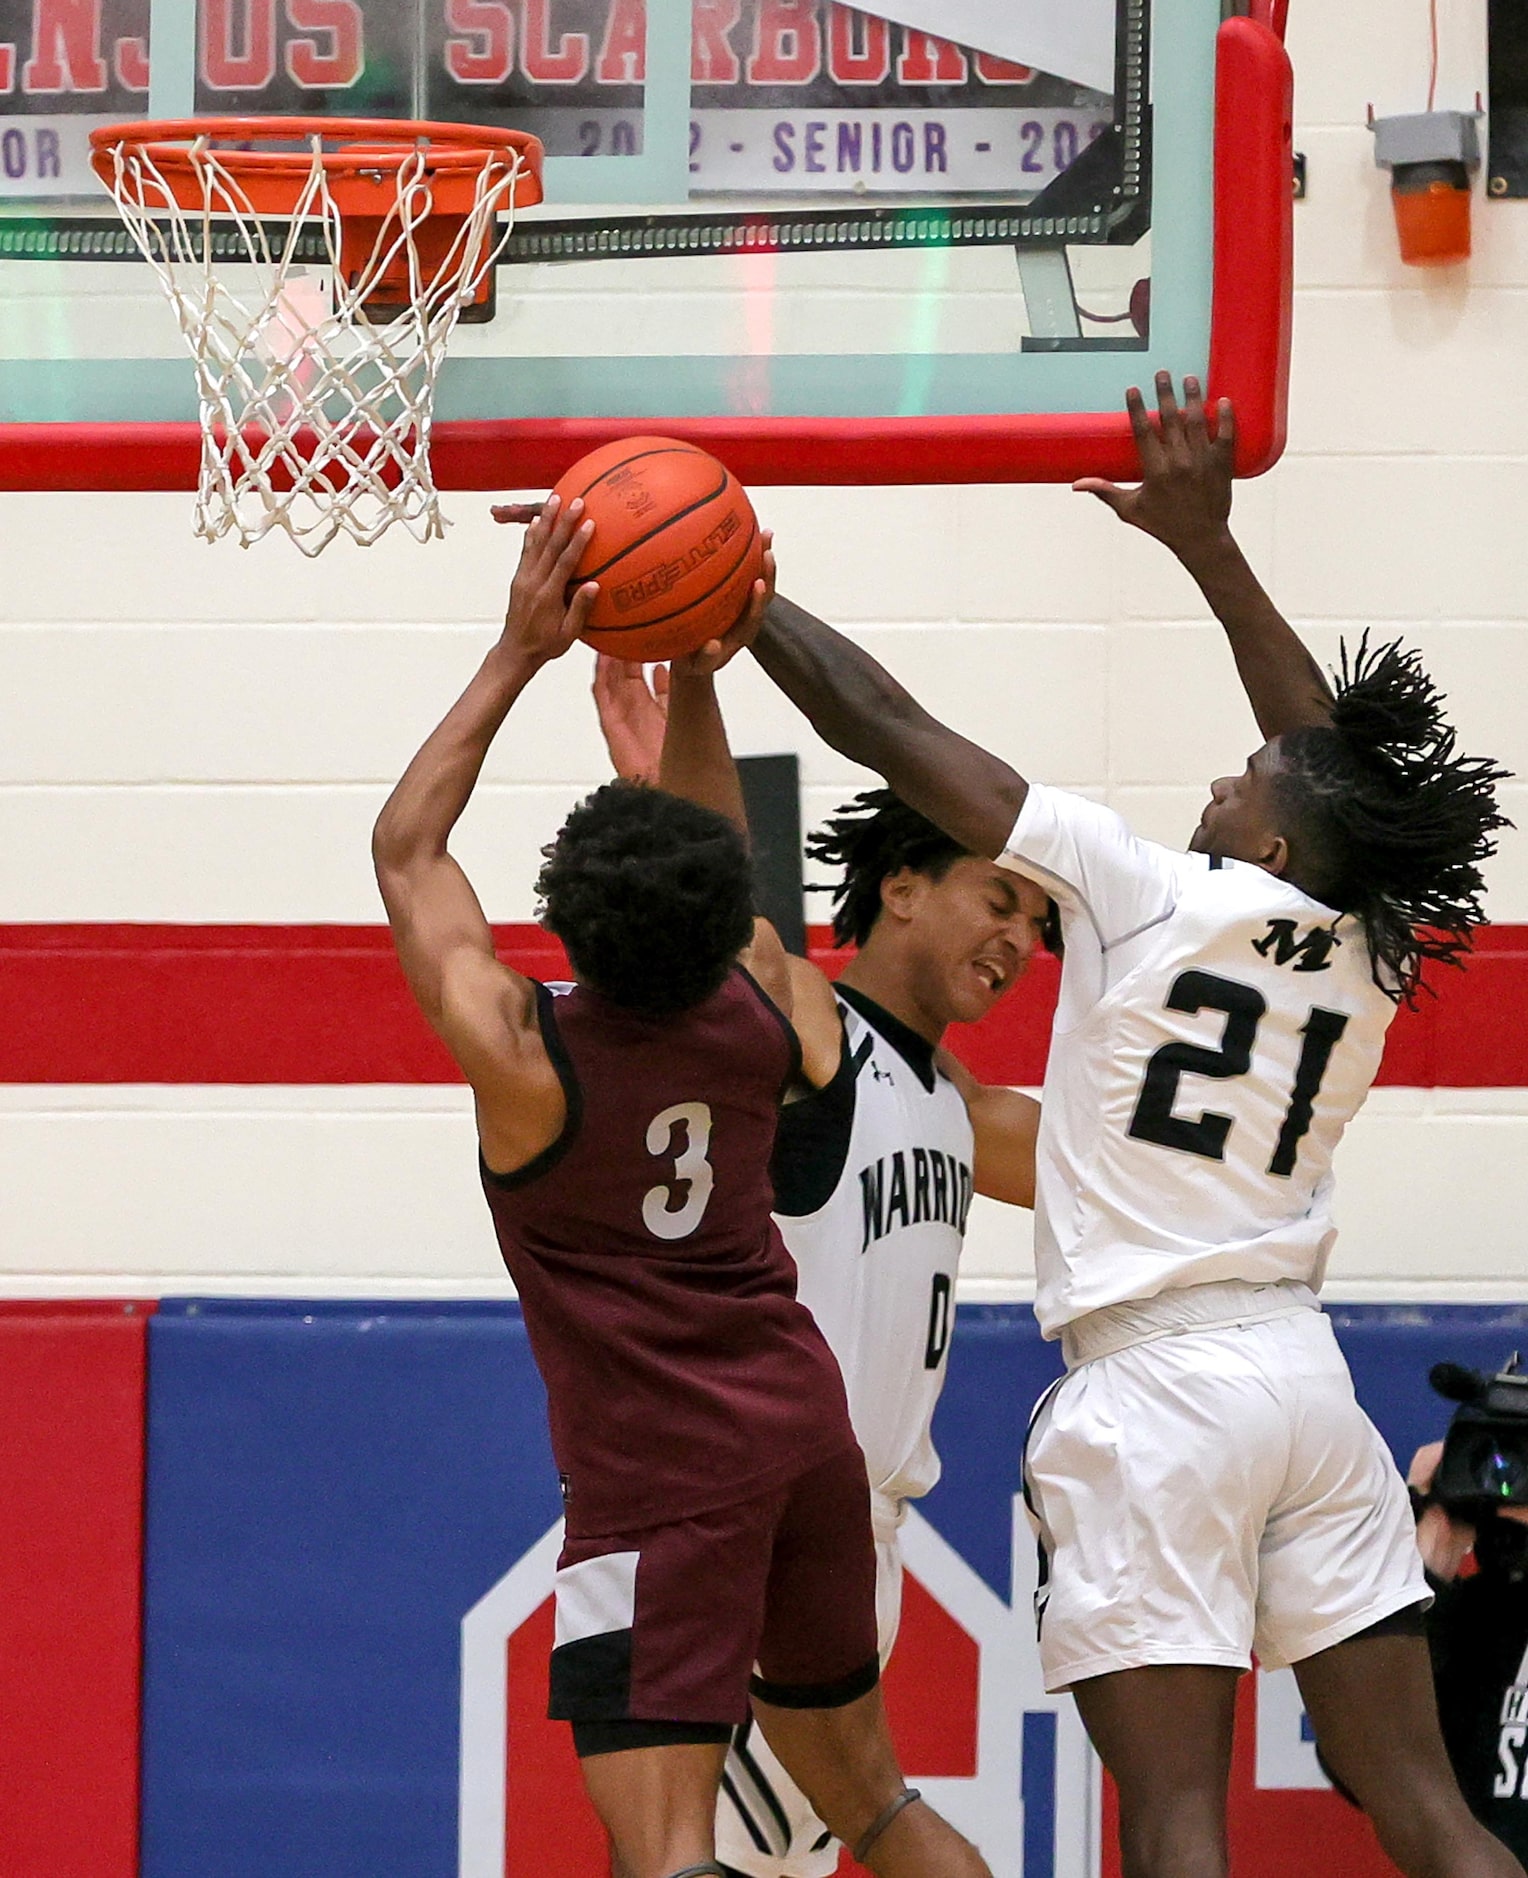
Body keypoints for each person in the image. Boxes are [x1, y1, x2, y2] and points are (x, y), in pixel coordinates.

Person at [735, 374, 1520, 1878]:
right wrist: (1209, 548)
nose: (1224, 771)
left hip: (1157, 1393)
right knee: (1429, 1812)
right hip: (1302, 1375)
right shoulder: (1362, 948)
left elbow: (891, 725)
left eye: (1244, 781)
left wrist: (745, 595)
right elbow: (1325, 761)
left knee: (1171, 1820)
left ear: (1272, 837)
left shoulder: (1143, 881)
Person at [372, 496, 992, 1878]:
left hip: (664, 1488)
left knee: (666, 1855)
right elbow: (730, 871)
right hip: (808, 1440)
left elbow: (410, 851)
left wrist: (517, 651)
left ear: (566, 920)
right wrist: (699, 665)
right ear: (721, 921)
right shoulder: (759, 1013)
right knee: (880, 1807)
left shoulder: (531, 1059)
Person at [590, 652, 1049, 1878]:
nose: (1019, 937)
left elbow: (1152, 1169)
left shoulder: (959, 1104)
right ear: (900, 885)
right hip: (765, 1535)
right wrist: (693, 671)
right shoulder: (811, 1035)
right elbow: (733, 911)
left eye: (1036, 926)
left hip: (857, 1551)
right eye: (998, 899)